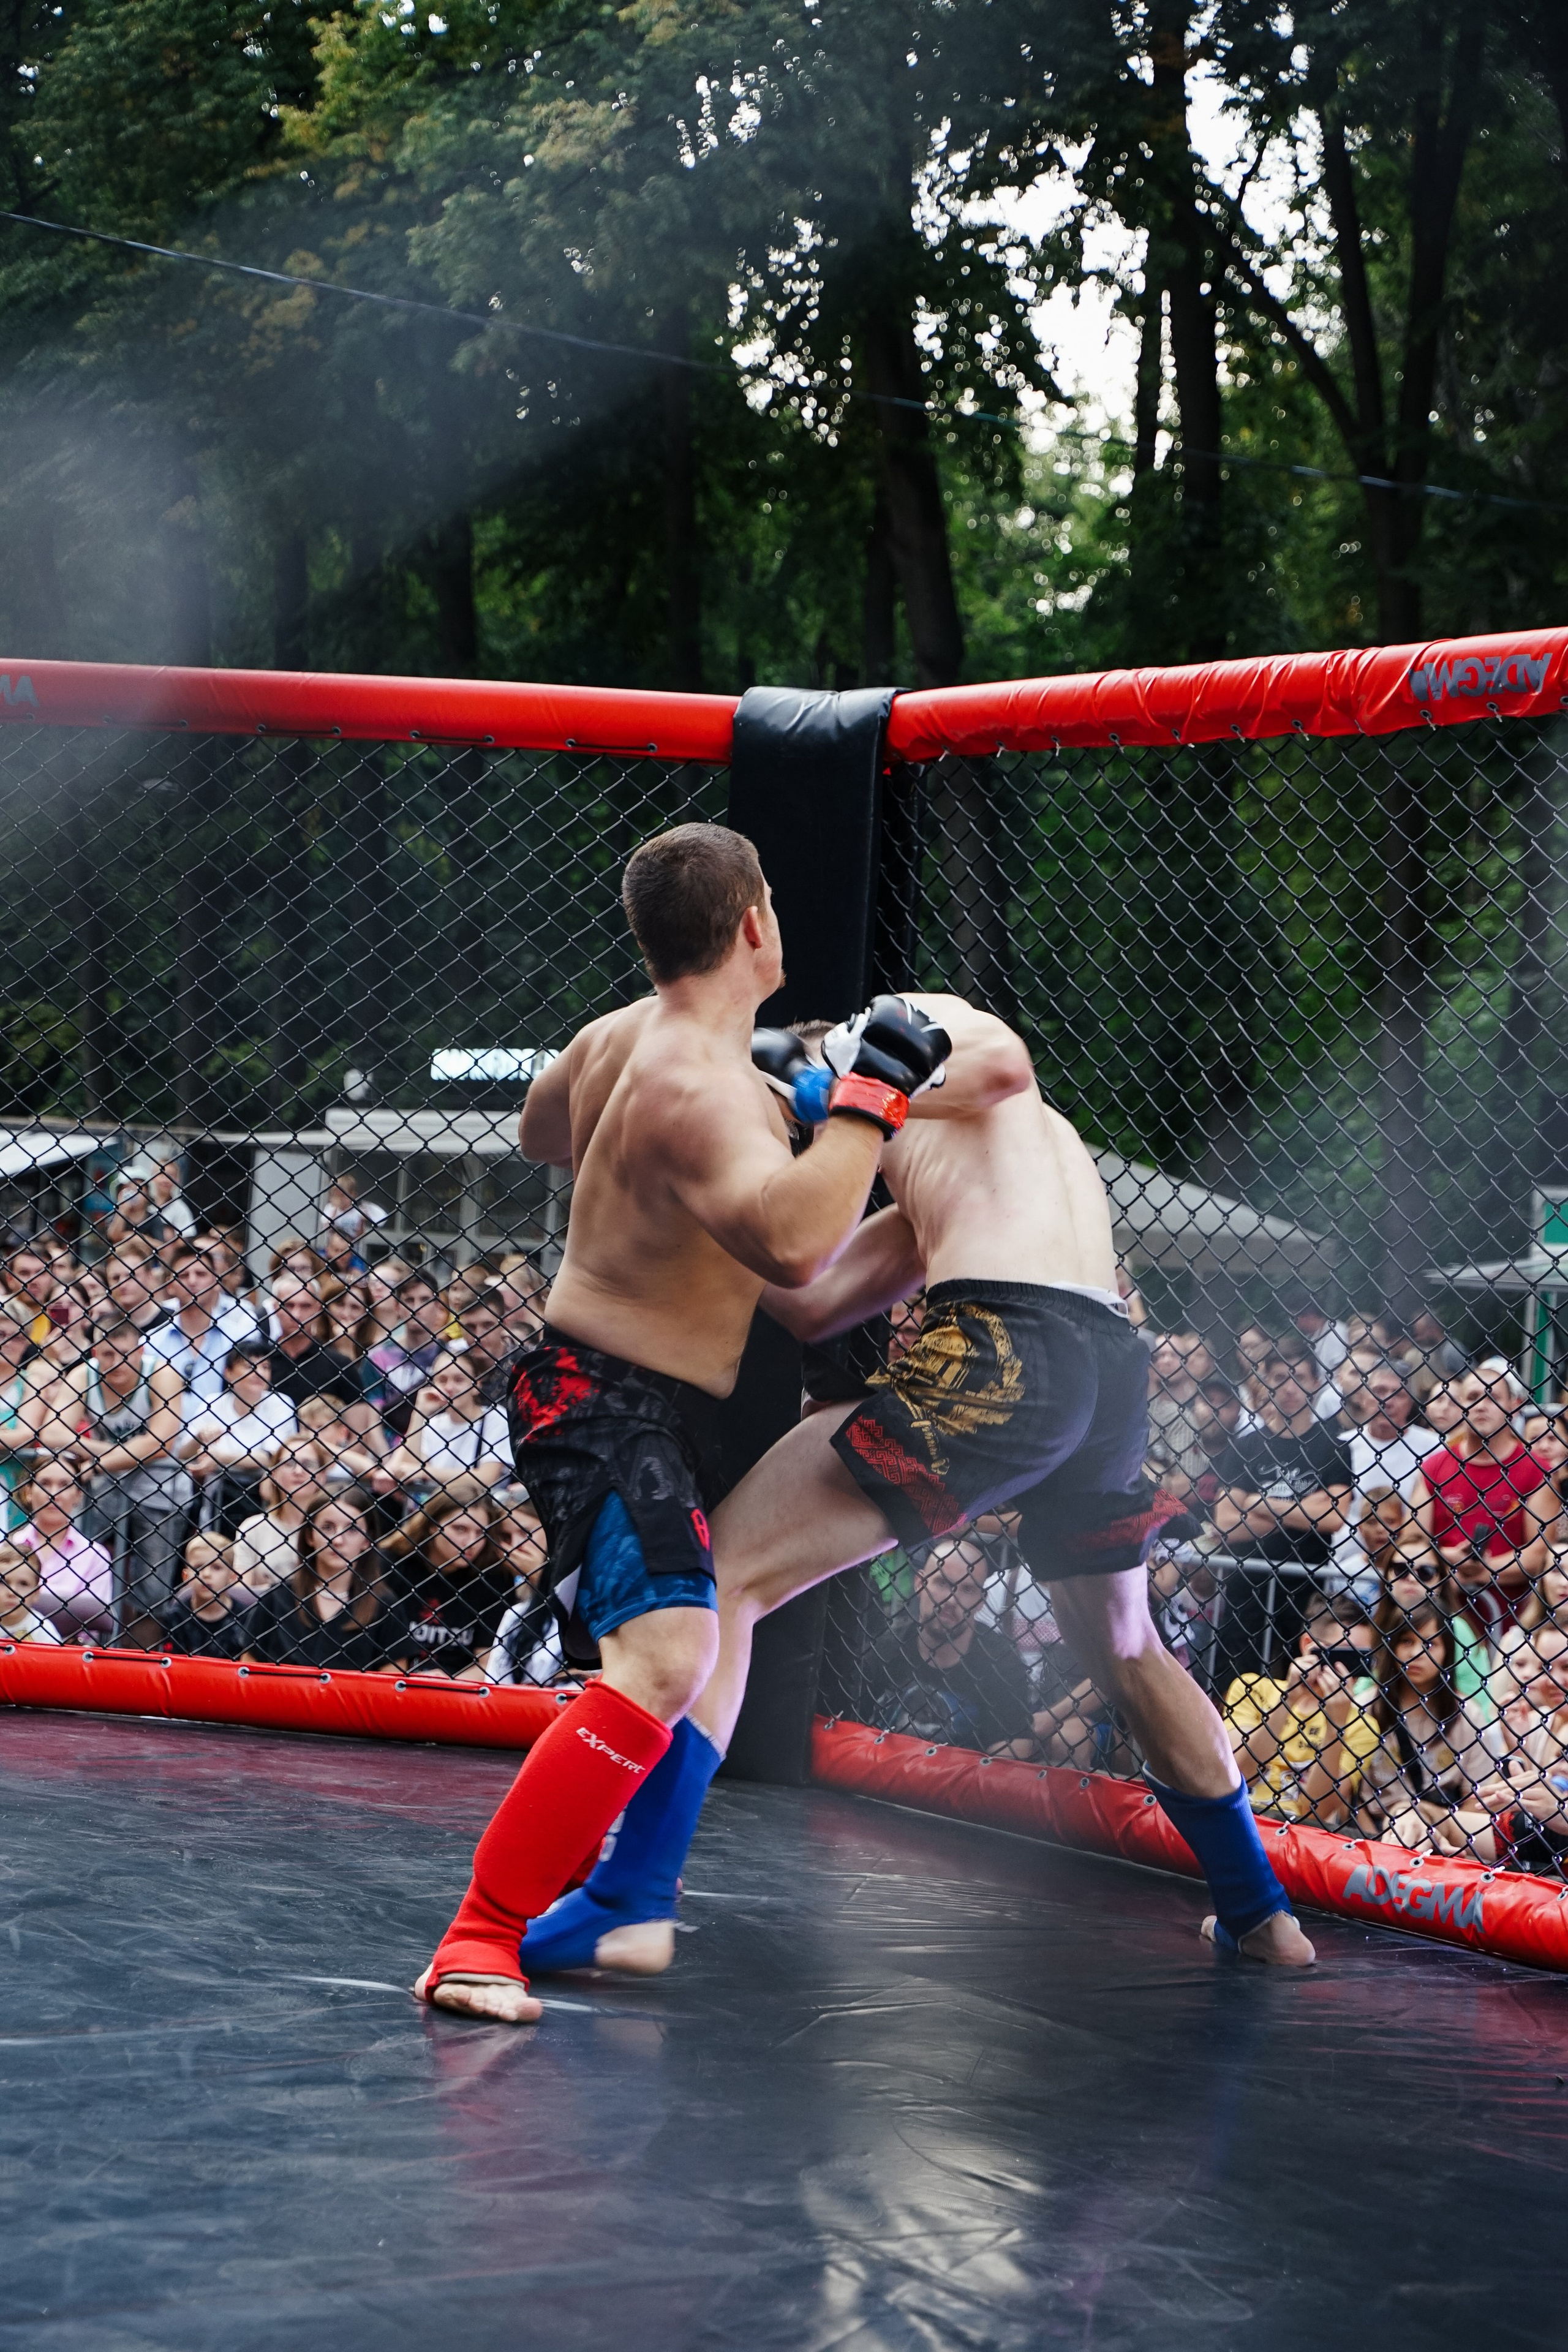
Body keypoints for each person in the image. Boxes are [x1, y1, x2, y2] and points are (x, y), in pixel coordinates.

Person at [506, 990, 1319, 2005]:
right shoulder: (949, 1171)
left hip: (1008, 1350)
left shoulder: (909, 1036)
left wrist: (819, 1077)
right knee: (1124, 1642)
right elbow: (816, 1302)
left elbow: (999, 1058)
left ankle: (633, 1895)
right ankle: (1260, 1914)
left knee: (729, 1580)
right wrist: (711, 1222)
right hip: (1105, 1370)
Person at [414, 824, 940, 2017]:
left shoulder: (625, 1039)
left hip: (626, 1391)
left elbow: (539, 1130)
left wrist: (773, 1101)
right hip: (605, 1398)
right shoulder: (698, 1088)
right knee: (665, 1655)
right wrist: (862, 1104)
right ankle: (480, 1937)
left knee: (687, 1644)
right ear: (754, 922)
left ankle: (619, 1902)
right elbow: (800, 1248)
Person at [38, 1314, 190, 1645]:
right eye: (108, 1354)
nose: (117, 1361)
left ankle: (141, 1666)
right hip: (104, 1485)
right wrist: (110, 1452)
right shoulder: (84, 1375)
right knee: (78, 1561)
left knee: (152, 1590)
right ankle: (75, 1647)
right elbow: (51, 1432)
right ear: (95, 1352)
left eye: (125, 1353)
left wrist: (98, 1460)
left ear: (139, 1351)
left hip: (159, 1488)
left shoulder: (161, 1375)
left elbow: (162, 1443)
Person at [1207, 1341, 1353, 1683]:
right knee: (1236, 1686)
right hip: (1247, 1584)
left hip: (1305, 1586)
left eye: (1298, 1377)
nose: (1289, 1387)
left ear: (1316, 1383)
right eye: (1279, 1378)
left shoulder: (1334, 1448)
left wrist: (1259, 1503)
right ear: (1266, 1384)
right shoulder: (1245, 1446)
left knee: (1301, 1683)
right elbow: (1226, 1524)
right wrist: (1304, 1512)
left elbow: (1333, 1518)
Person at [863, 1533, 1035, 1756]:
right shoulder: (887, 1648)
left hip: (961, 1787)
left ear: (981, 1601)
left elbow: (1014, 1750)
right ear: (920, 1583)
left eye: (967, 1589)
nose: (951, 1600)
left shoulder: (1001, 1662)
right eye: (943, 1583)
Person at [1223, 1596, 1381, 1830]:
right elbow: (1240, 1773)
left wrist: (1336, 1726)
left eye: (1360, 1661)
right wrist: (1288, 1700)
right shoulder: (1252, 1688)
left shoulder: (1362, 1725)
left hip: (1297, 1834)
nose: (1348, 1672)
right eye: (1342, 1657)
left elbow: (1316, 1811)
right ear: (1308, 1646)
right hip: (1237, 1815)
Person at [1359, 1601, 1490, 1845]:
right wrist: (1372, 1839)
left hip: (1446, 1828)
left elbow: (1476, 1798)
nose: (1416, 1653)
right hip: (1375, 1830)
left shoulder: (1468, 1715)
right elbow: (1351, 1798)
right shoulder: (1365, 1708)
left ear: (1447, 1651)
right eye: (1406, 1641)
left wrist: (1444, 1833)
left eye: (1430, 1643)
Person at [243, 1487, 410, 1671]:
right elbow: (248, 1673)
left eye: (352, 1529)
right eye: (327, 1528)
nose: (338, 1540)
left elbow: (392, 1686)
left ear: (367, 1540)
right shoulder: (276, 1599)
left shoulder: (386, 1607)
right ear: (310, 1536)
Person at [1328, 1356, 1442, 1600]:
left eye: (1398, 1394)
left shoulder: (1434, 1450)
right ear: (1363, 1397)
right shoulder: (1342, 1447)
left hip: (1409, 1573)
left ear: (1410, 1402)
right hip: (1346, 1571)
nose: (1387, 1401)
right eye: (1379, 1391)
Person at [383, 1480, 523, 1678]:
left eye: (480, 1533)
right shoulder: (391, 1563)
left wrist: (448, 1684)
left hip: (459, 1692)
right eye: (460, 1529)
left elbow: (488, 1664)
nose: (471, 1542)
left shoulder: (494, 1577)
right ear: (432, 1525)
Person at [183, 1344, 299, 1537]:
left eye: (265, 1367)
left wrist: (219, 1458)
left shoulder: (281, 1404)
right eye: (249, 1366)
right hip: (217, 1504)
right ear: (228, 1373)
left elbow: (272, 1457)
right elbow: (183, 1453)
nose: (258, 1372)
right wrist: (200, 1437)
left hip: (264, 1501)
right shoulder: (213, 1403)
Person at [148, 1238, 263, 1408]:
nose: (192, 1282)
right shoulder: (151, 1343)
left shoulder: (241, 1338)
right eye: (184, 1275)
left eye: (201, 1274)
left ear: (216, 1282)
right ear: (170, 1286)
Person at [13, 1463, 115, 1642]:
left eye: (65, 1485)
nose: (54, 1494)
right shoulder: (8, 1546)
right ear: (28, 1492)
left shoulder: (95, 1556)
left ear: (78, 1495)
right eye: (45, 1483)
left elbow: (92, 1627)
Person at [383, 1351, 511, 1489]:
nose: (449, 1388)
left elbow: (487, 1478)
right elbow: (407, 1469)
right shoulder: (432, 1425)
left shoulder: (495, 1417)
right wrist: (419, 1413)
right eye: (442, 1380)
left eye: (459, 1380)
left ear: (476, 1386)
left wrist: (424, 1472)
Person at [230, 1434, 331, 1599]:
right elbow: (242, 1593)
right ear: (274, 1474)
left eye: (309, 1465)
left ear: (322, 1476)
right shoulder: (253, 1528)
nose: (299, 1471)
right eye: (290, 1463)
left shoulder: (332, 1528)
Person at [482, 1496, 564, 1686]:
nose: (515, 1545)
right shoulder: (511, 1609)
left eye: (525, 1533)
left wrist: (542, 1577)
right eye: (505, 1537)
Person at [159, 1530, 249, 1659]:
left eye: (216, 1567)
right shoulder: (176, 1616)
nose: (206, 1574)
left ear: (233, 1577)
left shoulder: (245, 1618)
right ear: (186, 1576)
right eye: (198, 1568)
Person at [0, 1540, 62, 1644]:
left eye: (23, 1584)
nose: (12, 1592)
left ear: (35, 1593)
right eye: (3, 1582)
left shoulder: (42, 1628)